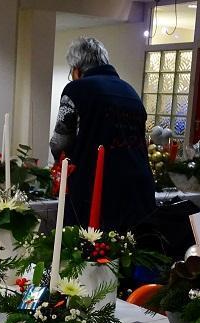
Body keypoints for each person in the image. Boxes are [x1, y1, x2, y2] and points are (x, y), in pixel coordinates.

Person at [50, 37, 155, 233]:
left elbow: (59, 142)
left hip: (97, 191)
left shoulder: (77, 89)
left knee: (90, 254)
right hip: (138, 188)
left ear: (77, 68)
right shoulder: (129, 90)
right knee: (129, 252)